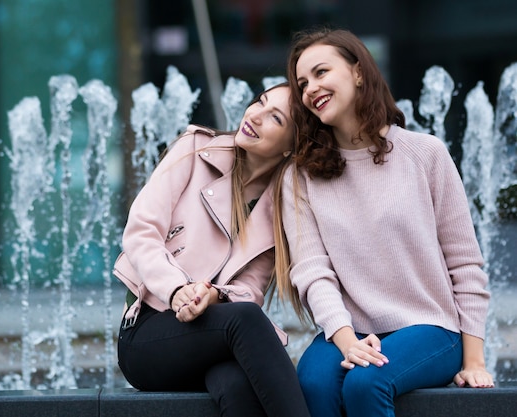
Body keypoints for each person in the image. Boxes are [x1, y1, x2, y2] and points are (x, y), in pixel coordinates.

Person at [275, 27, 495, 417]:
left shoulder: (425, 154)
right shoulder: (301, 175)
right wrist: (345, 340)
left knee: (367, 381)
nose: (310, 88)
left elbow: (465, 263)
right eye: (302, 83)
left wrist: (473, 360)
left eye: (321, 72)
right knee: (313, 382)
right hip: (350, 327)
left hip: (431, 326)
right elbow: (312, 272)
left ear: (358, 72)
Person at [113, 83, 311, 417]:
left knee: (235, 385)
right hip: (148, 332)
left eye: (274, 117)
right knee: (247, 320)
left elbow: (249, 289)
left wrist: (213, 296)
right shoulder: (196, 149)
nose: (255, 115)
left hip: (213, 338)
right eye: (260, 102)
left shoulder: (279, 208)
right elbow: (141, 232)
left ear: (291, 148)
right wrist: (177, 290)